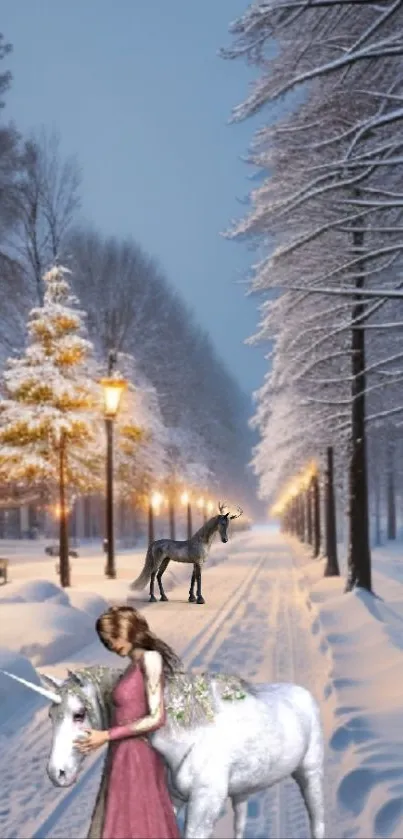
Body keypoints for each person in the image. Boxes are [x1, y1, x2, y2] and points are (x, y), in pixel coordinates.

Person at [75, 605, 182, 839]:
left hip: (138, 753)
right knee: (121, 820)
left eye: (114, 637)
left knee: (139, 820)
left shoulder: (151, 659)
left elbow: (157, 717)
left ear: (128, 629)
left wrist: (106, 735)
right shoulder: (132, 667)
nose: (111, 644)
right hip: (122, 753)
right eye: (105, 641)